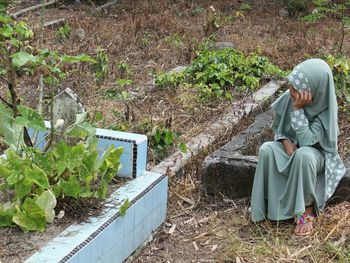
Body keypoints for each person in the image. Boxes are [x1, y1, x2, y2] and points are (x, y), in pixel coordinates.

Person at [250, 58, 346, 236]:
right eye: (291, 87)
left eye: (296, 90)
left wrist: (297, 109)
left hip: (316, 155)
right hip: (292, 149)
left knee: (304, 155)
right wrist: (285, 142)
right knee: (267, 150)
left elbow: (308, 140)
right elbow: (278, 128)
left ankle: (305, 212)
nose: (291, 92)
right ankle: (266, 211)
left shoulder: (325, 111)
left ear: (315, 90)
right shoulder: (290, 96)